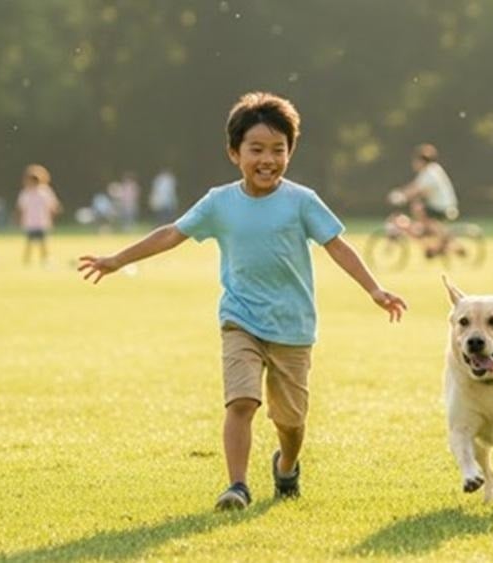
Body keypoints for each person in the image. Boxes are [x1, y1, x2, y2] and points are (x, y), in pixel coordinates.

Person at [77, 92, 407, 511]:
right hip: (241, 319)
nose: (267, 159)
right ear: (235, 153)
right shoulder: (220, 202)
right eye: (256, 149)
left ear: (289, 152)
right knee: (242, 401)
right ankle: (237, 486)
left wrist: (374, 289)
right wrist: (117, 260)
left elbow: (337, 245)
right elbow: (172, 233)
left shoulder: (302, 201)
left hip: (292, 326)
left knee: (291, 422)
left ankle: (286, 465)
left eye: (278, 150)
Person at [395, 144, 459, 257]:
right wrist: (403, 193)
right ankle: (433, 234)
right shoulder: (431, 170)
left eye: (416, 161)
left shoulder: (430, 173)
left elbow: (416, 190)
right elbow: (415, 186)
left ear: (421, 161)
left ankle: (436, 234)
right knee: (418, 206)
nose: (414, 164)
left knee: (418, 208)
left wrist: (400, 196)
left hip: (442, 207)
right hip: (441, 206)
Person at [17, 164, 61, 265]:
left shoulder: (45, 192)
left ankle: (45, 259)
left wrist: (52, 216)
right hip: (30, 222)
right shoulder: (26, 193)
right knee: (29, 243)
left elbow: (52, 206)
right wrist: (20, 220)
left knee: (43, 243)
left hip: (42, 222)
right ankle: (27, 260)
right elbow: (22, 208)